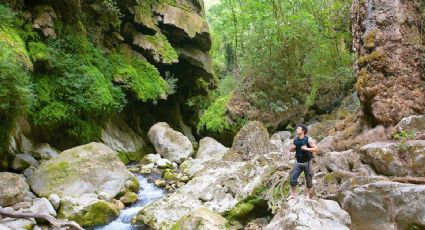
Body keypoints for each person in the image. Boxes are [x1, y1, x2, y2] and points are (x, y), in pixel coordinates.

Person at [289, 124, 319, 200]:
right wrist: (292, 148)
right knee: (292, 178)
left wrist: (306, 148)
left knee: (309, 181)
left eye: (298, 129)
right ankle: (293, 194)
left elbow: (316, 149)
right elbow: (292, 150)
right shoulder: (295, 140)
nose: (296, 130)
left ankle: (308, 196)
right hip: (298, 162)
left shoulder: (308, 139)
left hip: (307, 163)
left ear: (303, 131)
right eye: (297, 129)